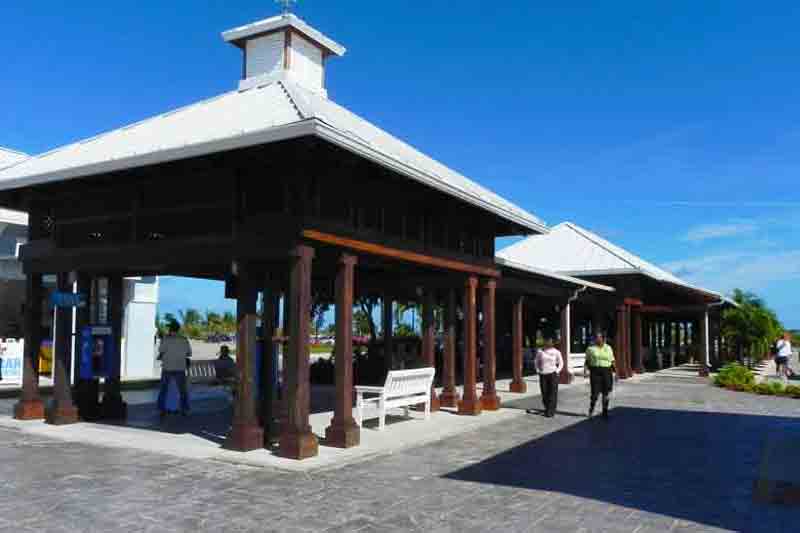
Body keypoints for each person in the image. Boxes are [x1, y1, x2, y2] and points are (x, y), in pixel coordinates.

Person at [157, 320, 192, 417]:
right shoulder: (184, 339)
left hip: (167, 367)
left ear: (170, 329)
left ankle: (162, 409)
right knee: (182, 390)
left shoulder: (165, 339)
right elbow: (189, 353)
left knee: (163, 389)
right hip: (180, 367)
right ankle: (185, 409)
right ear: (178, 329)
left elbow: (161, 351)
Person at [584, 332, 615, 420]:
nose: (597, 339)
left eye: (599, 337)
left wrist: (616, 372)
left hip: (607, 371)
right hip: (595, 372)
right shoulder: (590, 348)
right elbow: (587, 361)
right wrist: (585, 371)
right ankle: (591, 409)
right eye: (596, 337)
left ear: (603, 338)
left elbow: (612, 360)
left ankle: (605, 411)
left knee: (606, 393)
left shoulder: (608, 348)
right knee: (595, 393)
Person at [530, 338, 563, 417]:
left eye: (550, 342)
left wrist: (557, 371)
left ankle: (550, 411)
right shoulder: (540, 351)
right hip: (543, 375)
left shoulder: (556, 352)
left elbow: (561, 363)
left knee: (552, 393)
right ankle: (547, 408)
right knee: (544, 393)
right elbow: (536, 361)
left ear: (552, 343)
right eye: (547, 342)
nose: (548, 343)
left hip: (553, 374)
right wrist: (538, 370)